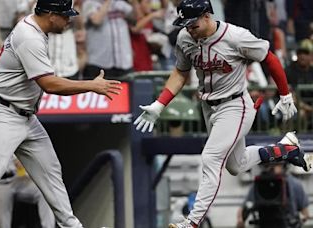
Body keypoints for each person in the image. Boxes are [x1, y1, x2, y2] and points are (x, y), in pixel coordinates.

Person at [133, 1, 313, 227]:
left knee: (211, 158)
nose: (189, 28)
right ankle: (286, 149)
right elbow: (180, 72)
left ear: (207, 15)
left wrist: (285, 94)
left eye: (193, 23)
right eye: (185, 24)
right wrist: (160, 104)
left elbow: (269, 58)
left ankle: (192, 222)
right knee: (236, 165)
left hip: (235, 105)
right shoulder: (185, 38)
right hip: (209, 108)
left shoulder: (236, 36)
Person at [0, 0, 122, 227]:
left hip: (24, 115)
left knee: (50, 171)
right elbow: (50, 85)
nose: (69, 20)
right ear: (51, 15)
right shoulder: (29, 36)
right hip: (1, 110)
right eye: (65, 15)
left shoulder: (37, 30)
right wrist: (91, 86)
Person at [236, 162, 310, 228]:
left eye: (276, 164)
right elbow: (245, 206)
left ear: (284, 165)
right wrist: (240, 220)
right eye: (268, 165)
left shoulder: (294, 184)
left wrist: (297, 222)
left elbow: (305, 214)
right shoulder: (259, 184)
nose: (271, 167)